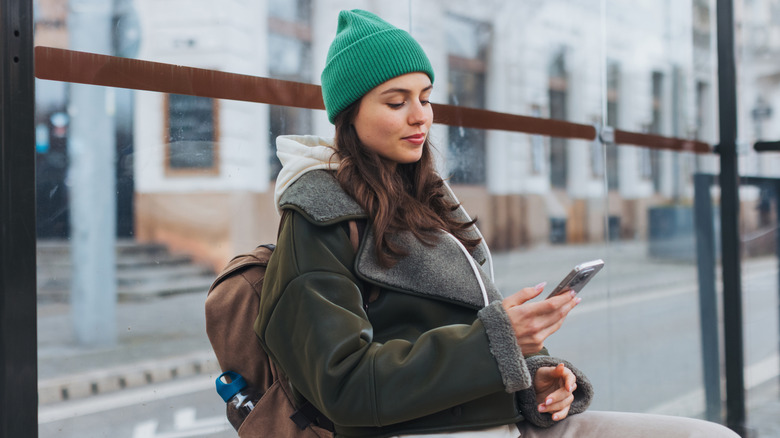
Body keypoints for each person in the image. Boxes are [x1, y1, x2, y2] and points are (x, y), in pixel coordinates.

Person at [255, 9, 741, 438]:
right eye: (396, 102)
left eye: (425, 97)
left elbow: (470, 336)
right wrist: (496, 343)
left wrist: (534, 380)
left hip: (502, 419)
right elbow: (344, 386)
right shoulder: (317, 217)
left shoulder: (429, 199)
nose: (420, 117)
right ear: (349, 115)